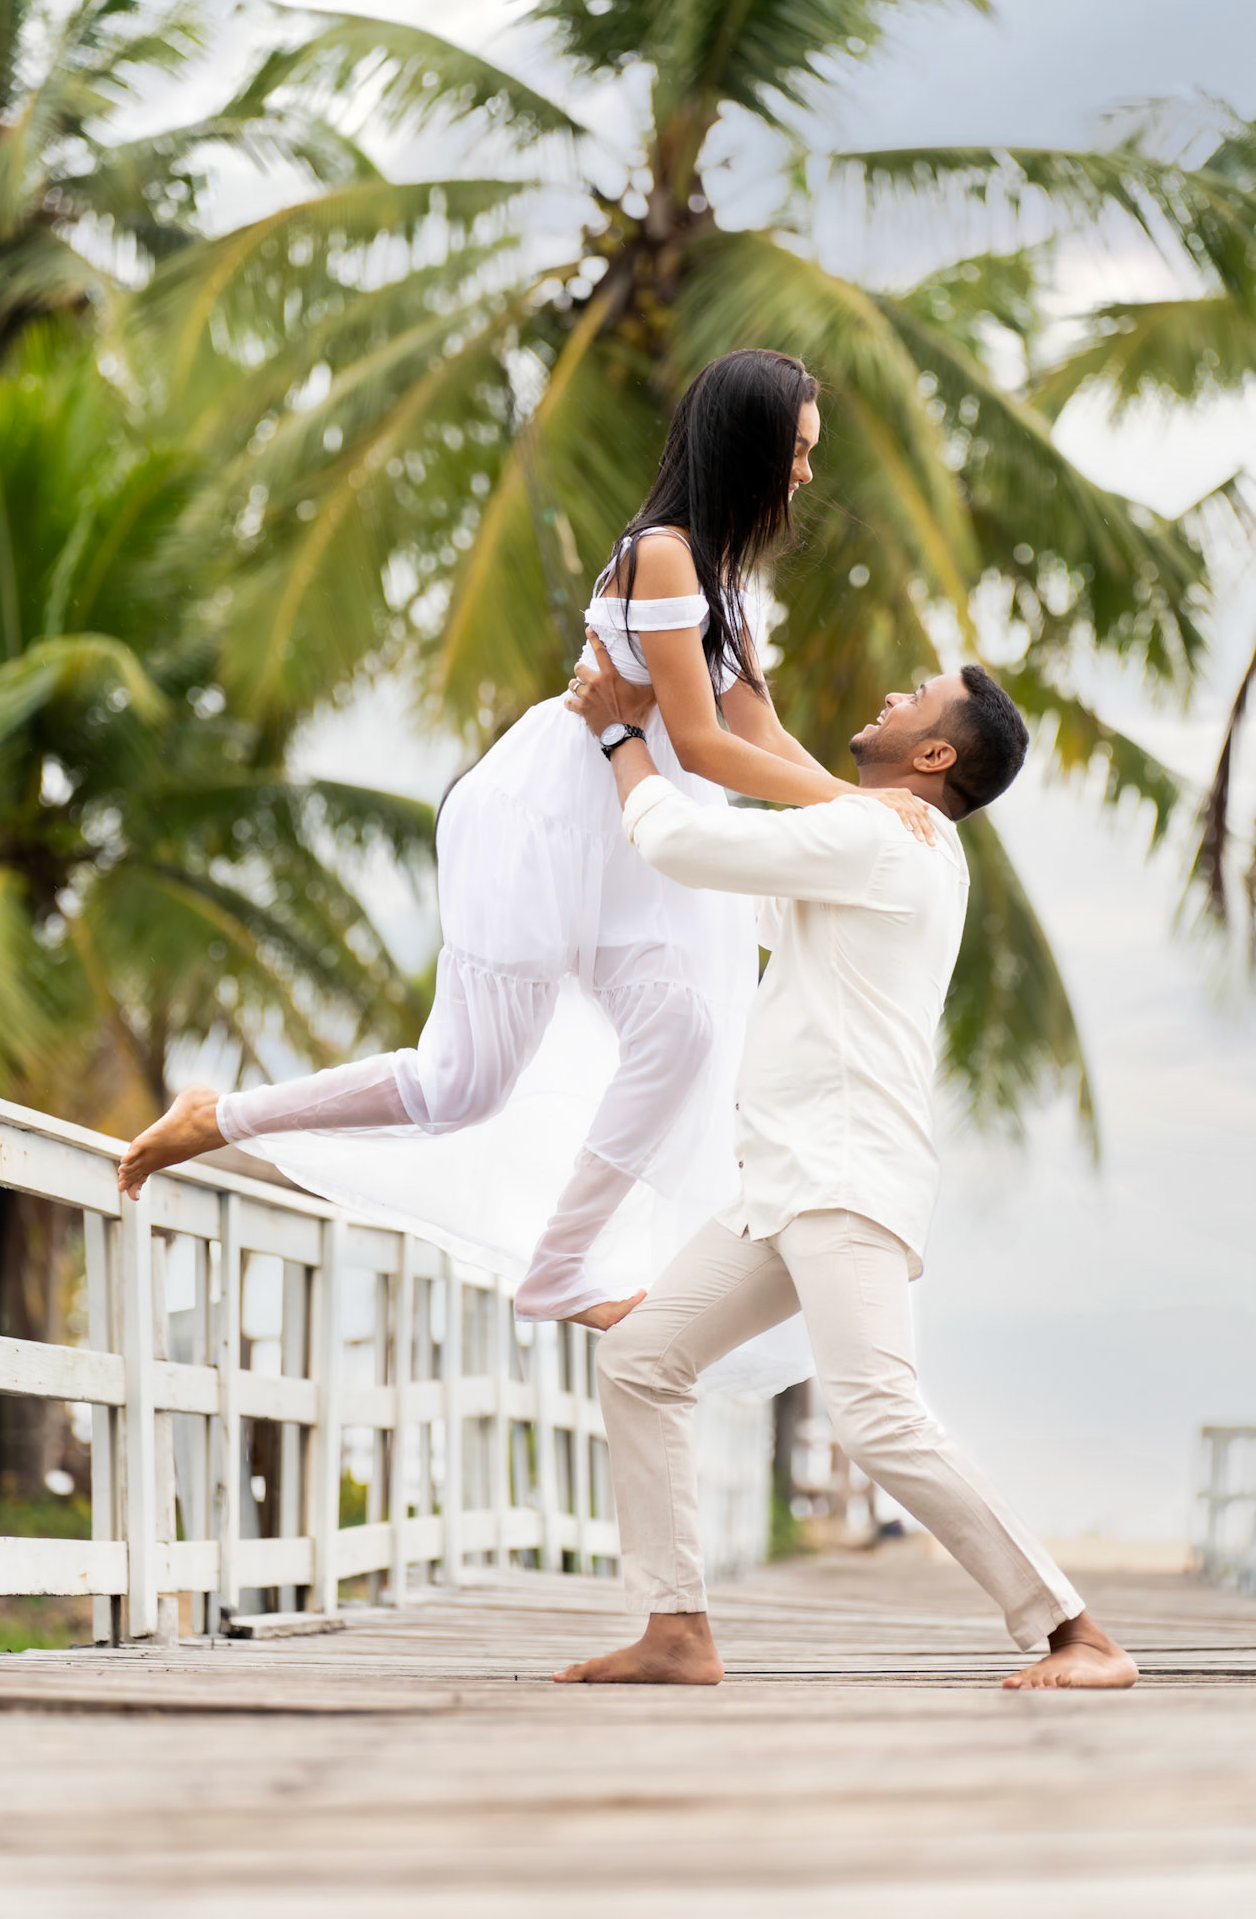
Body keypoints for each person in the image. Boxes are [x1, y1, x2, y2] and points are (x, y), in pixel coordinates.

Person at [116, 348, 932, 1333]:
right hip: (549, 825)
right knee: (460, 1084)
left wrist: (853, 808)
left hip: (632, 847)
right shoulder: (662, 553)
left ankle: (557, 1269)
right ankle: (219, 1116)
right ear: (751, 444)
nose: (805, 472)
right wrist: (865, 811)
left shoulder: (718, 575)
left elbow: (757, 725)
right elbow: (709, 744)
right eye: (796, 450)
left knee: (682, 1030)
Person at [552, 639, 1139, 1691]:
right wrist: (726, 663)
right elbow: (779, 773)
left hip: (844, 1175)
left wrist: (617, 732)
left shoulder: (882, 840)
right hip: (786, 1179)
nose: (891, 694)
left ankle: (1078, 1631)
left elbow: (682, 843)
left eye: (918, 698)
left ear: (931, 759)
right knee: (642, 1358)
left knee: (878, 1413)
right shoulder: (886, 836)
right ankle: (677, 1626)